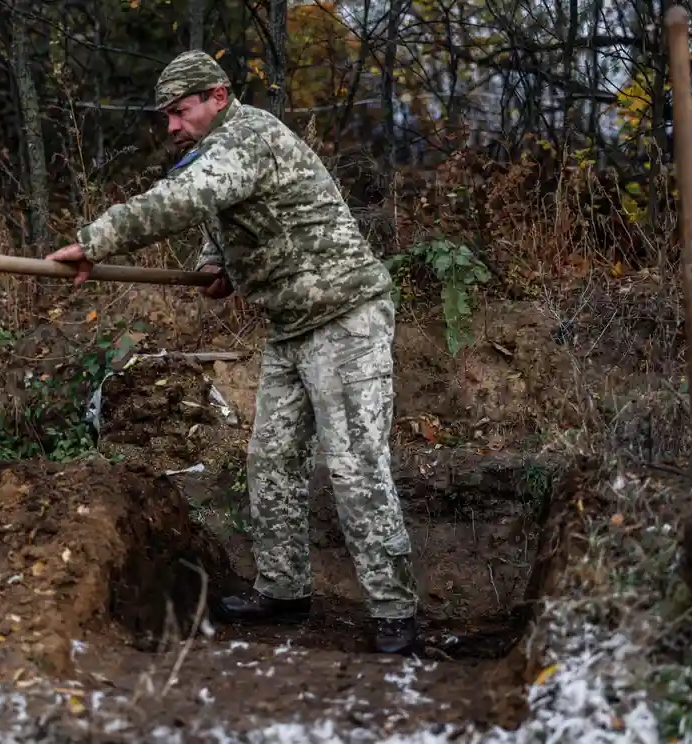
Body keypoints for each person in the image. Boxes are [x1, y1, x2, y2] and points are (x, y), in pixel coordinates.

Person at [45, 50, 419, 654]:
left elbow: (187, 197)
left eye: (179, 111)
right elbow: (223, 214)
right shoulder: (219, 150)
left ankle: (395, 611)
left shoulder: (250, 136)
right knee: (270, 460)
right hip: (290, 325)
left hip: (345, 316)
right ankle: (283, 588)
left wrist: (95, 240)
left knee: (354, 465)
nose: (170, 125)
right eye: (166, 114)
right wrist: (214, 262)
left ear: (218, 96)